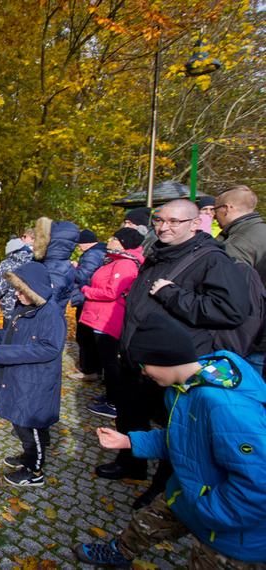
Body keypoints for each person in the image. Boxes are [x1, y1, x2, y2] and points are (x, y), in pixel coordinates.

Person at [75, 313, 266, 569]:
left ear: (164, 359)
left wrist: (207, 511)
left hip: (227, 531)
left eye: (144, 364)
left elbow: (257, 485)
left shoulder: (225, 407)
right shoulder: (185, 386)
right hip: (189, 493)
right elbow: (184, 439)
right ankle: (119, 553)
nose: (142, 371)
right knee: (146, 524)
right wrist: (130, 441)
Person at [97, 198, 250, 511]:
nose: (163, 227)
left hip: (172, 366)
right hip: (137, 360)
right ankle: (131, 464)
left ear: (195, 223)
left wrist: (172, 294)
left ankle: (162, 489)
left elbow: (231, 312)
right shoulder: (159, 253)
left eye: (174, 222)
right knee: (131, 414)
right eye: (159, 220)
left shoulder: (212, 260)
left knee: (175, 427)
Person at [0, 261, 67, 487]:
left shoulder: (50, 313)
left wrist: (6, 354)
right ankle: (28, 456)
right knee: (18, 420)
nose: (17, 294)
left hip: (34, 380)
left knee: (29, 425)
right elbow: (12, 334)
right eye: (16, 290)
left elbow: (50, 348)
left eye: (21, 290)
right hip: (18, 375)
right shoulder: (25, 306)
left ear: (35, 288)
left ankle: (34, 470)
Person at [78, 228, 145, 419]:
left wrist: (85, 289)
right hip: (99, 316)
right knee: (106, 359)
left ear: (123, 243)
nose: (109, 239)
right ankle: (111, 395)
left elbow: (111, 293)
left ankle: (114, 403)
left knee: (110, 360)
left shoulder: (124, 264)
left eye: (114, 238)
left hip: (107, 318)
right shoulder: (115, 260)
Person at [215, 185, 266, 376]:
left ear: (227, 208)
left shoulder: (238, 243)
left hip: (247, 334)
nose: (214, 216)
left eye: (216, 209)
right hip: (258, 331)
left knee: (238, 386)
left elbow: (229, 290)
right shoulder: (258, 233)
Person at [69, 229, 107, 381]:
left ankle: (88, 370)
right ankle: (97, 370)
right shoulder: (100, 252)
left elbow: (83, 276)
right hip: (93, 299)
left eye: (79, 245)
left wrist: (71, 267)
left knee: (85, 336)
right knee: (91, 336)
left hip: (87, 299)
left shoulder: (92, 254)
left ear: (87, 242)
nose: (78, 248)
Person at [31, 217, 79, 312]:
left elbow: (46, 307)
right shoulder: (53, 263)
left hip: (41, 324)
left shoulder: (55, 270)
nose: (34, 242)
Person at [0, 236, 33, 328]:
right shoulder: (33, 263)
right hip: (31, 313)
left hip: (10, 311)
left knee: (9, 339)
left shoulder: (7, 264)